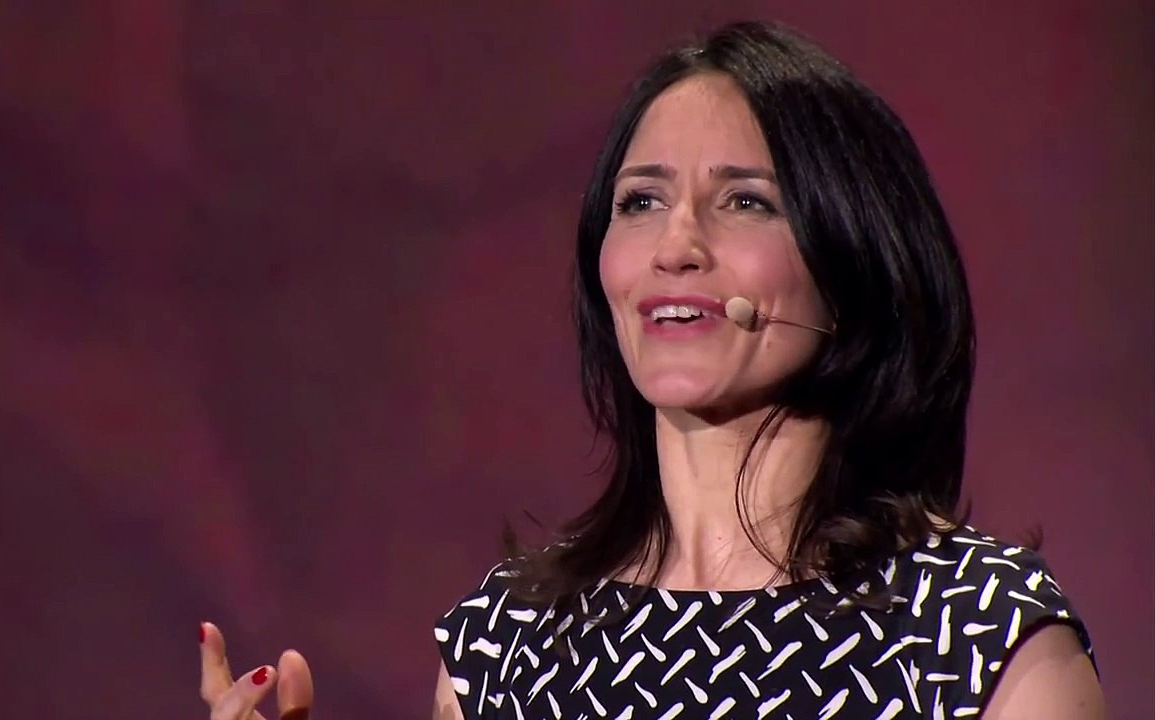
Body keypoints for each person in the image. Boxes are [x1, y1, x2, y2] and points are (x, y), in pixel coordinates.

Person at [196, 20, 1104, 720]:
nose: (677, 245)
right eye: (641, 202)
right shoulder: (511, 643)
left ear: (855, 264)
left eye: (745, 201)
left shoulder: (979, 636)